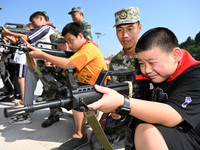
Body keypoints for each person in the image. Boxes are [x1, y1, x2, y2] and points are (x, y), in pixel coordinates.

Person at [88, 27, 200, 150]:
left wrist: (123, 102)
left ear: (176, 55)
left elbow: (173, 115)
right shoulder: (156, 75)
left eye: (152, 63)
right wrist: (120, 109)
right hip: (172, 135)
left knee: (147, 132)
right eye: (141, 63)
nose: (146, 70)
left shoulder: (195, 75)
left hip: (193, 137)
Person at [26, 22, 108, 150]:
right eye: (66, 42)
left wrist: (43, 54)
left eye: (70, 40)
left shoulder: (89, 48)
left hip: (97, 89)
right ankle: (79, 129)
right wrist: (29, 54)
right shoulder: (82, 50)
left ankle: (80, 135)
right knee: (70, 91)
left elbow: (69, 64)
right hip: (88, 87)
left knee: (76, 95)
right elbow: (36, 68)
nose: (69, 45)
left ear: (80, 36)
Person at [90, 7, 142, 150]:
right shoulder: (115, 61)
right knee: (96, 143)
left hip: (147, 113)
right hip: (122, 112)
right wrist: (104, 118)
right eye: (120, 30)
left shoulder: (149, 54)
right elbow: (111, 90)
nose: (125, 35)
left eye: (130, 29)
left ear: (139, 28)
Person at [0, 11, 57, 124]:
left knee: (50, 89)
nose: (33, 25)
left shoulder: (45, 27)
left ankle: (53, 113)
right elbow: (26, 40)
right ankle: (27, 113)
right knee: (32, 89)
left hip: (40, 64)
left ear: (40, 18)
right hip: (34, 63)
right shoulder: (47, 30)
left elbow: (27, 36)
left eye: (33, 22)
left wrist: (8, 32)